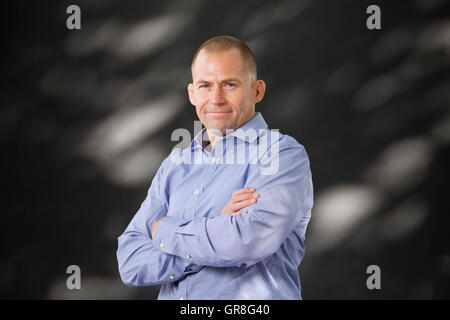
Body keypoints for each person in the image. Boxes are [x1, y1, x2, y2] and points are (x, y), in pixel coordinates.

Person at [116, 35, 314, 300]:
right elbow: (130, 262)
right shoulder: (175, 165)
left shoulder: (282, 155)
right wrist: (214, 232)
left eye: (229, 84)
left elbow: (247, 242)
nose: (216, 98)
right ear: (192, 93)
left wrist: (163, 230)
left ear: (257, 90)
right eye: (205, 85)